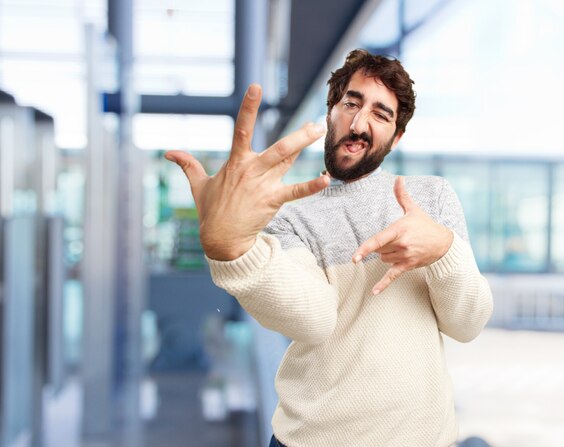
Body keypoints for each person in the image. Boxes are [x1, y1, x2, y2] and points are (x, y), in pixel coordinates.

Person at [165, 49, 493, 447]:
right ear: (330, 112)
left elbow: (467, 323)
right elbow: (313, 318)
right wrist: (234, 248)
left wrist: (443, 250)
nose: (358, 123)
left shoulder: (433, 198)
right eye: (350, 103)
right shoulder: (289, 216)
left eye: (380, 114)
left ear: (398, 136)